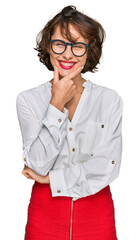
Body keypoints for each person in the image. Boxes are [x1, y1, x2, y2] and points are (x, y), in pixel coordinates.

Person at [16, 5, 123, 240]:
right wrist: (56, 104)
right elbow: (37, 165)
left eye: (77, 46)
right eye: (59, 44)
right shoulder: (28, 100)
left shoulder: (109, 100)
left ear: (88, 50)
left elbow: (108, 167)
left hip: (97, 209)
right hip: (45, 212)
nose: (67, 54)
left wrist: (51, 179)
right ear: (48, 46)